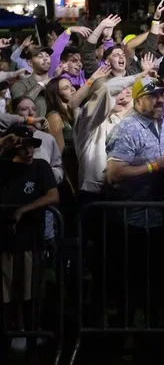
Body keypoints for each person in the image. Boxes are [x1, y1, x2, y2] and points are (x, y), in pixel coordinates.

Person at [104, 76, 164, 333]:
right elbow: (113, 173)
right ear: (138, 100)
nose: (160, 100)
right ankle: (127, 333)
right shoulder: (127, 128)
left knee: (155, 281)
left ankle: (153, 331)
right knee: (130, 281)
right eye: (153, 95)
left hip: (156, 217)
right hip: (129, 219)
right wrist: (153, 166)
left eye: (162, 95)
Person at [0, 125, 59, 355]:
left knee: (30, 289)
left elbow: (53, 195)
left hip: (30, 239)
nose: (29, 151)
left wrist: (24, 210)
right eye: (24, 146)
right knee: (7, 290)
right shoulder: (4, 168)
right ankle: (11, 333)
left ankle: (29, 331)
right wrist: (4, 142)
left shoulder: (40, 167)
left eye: (32, 146)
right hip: (5, 240)